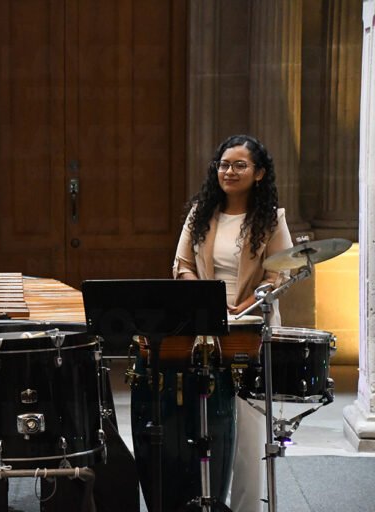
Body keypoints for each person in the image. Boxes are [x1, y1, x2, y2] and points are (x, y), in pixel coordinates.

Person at [173, 134, 293, 512]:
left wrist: (245, 304)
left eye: (239, 165)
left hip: (249, 327)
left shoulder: (271, 219)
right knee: (204, 425)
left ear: (258, 173)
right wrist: (204, 302)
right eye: (224, 164)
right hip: (204, 327)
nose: (229, 171)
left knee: (248, 431)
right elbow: (182, 266)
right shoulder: (200, 212)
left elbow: (281, 274)